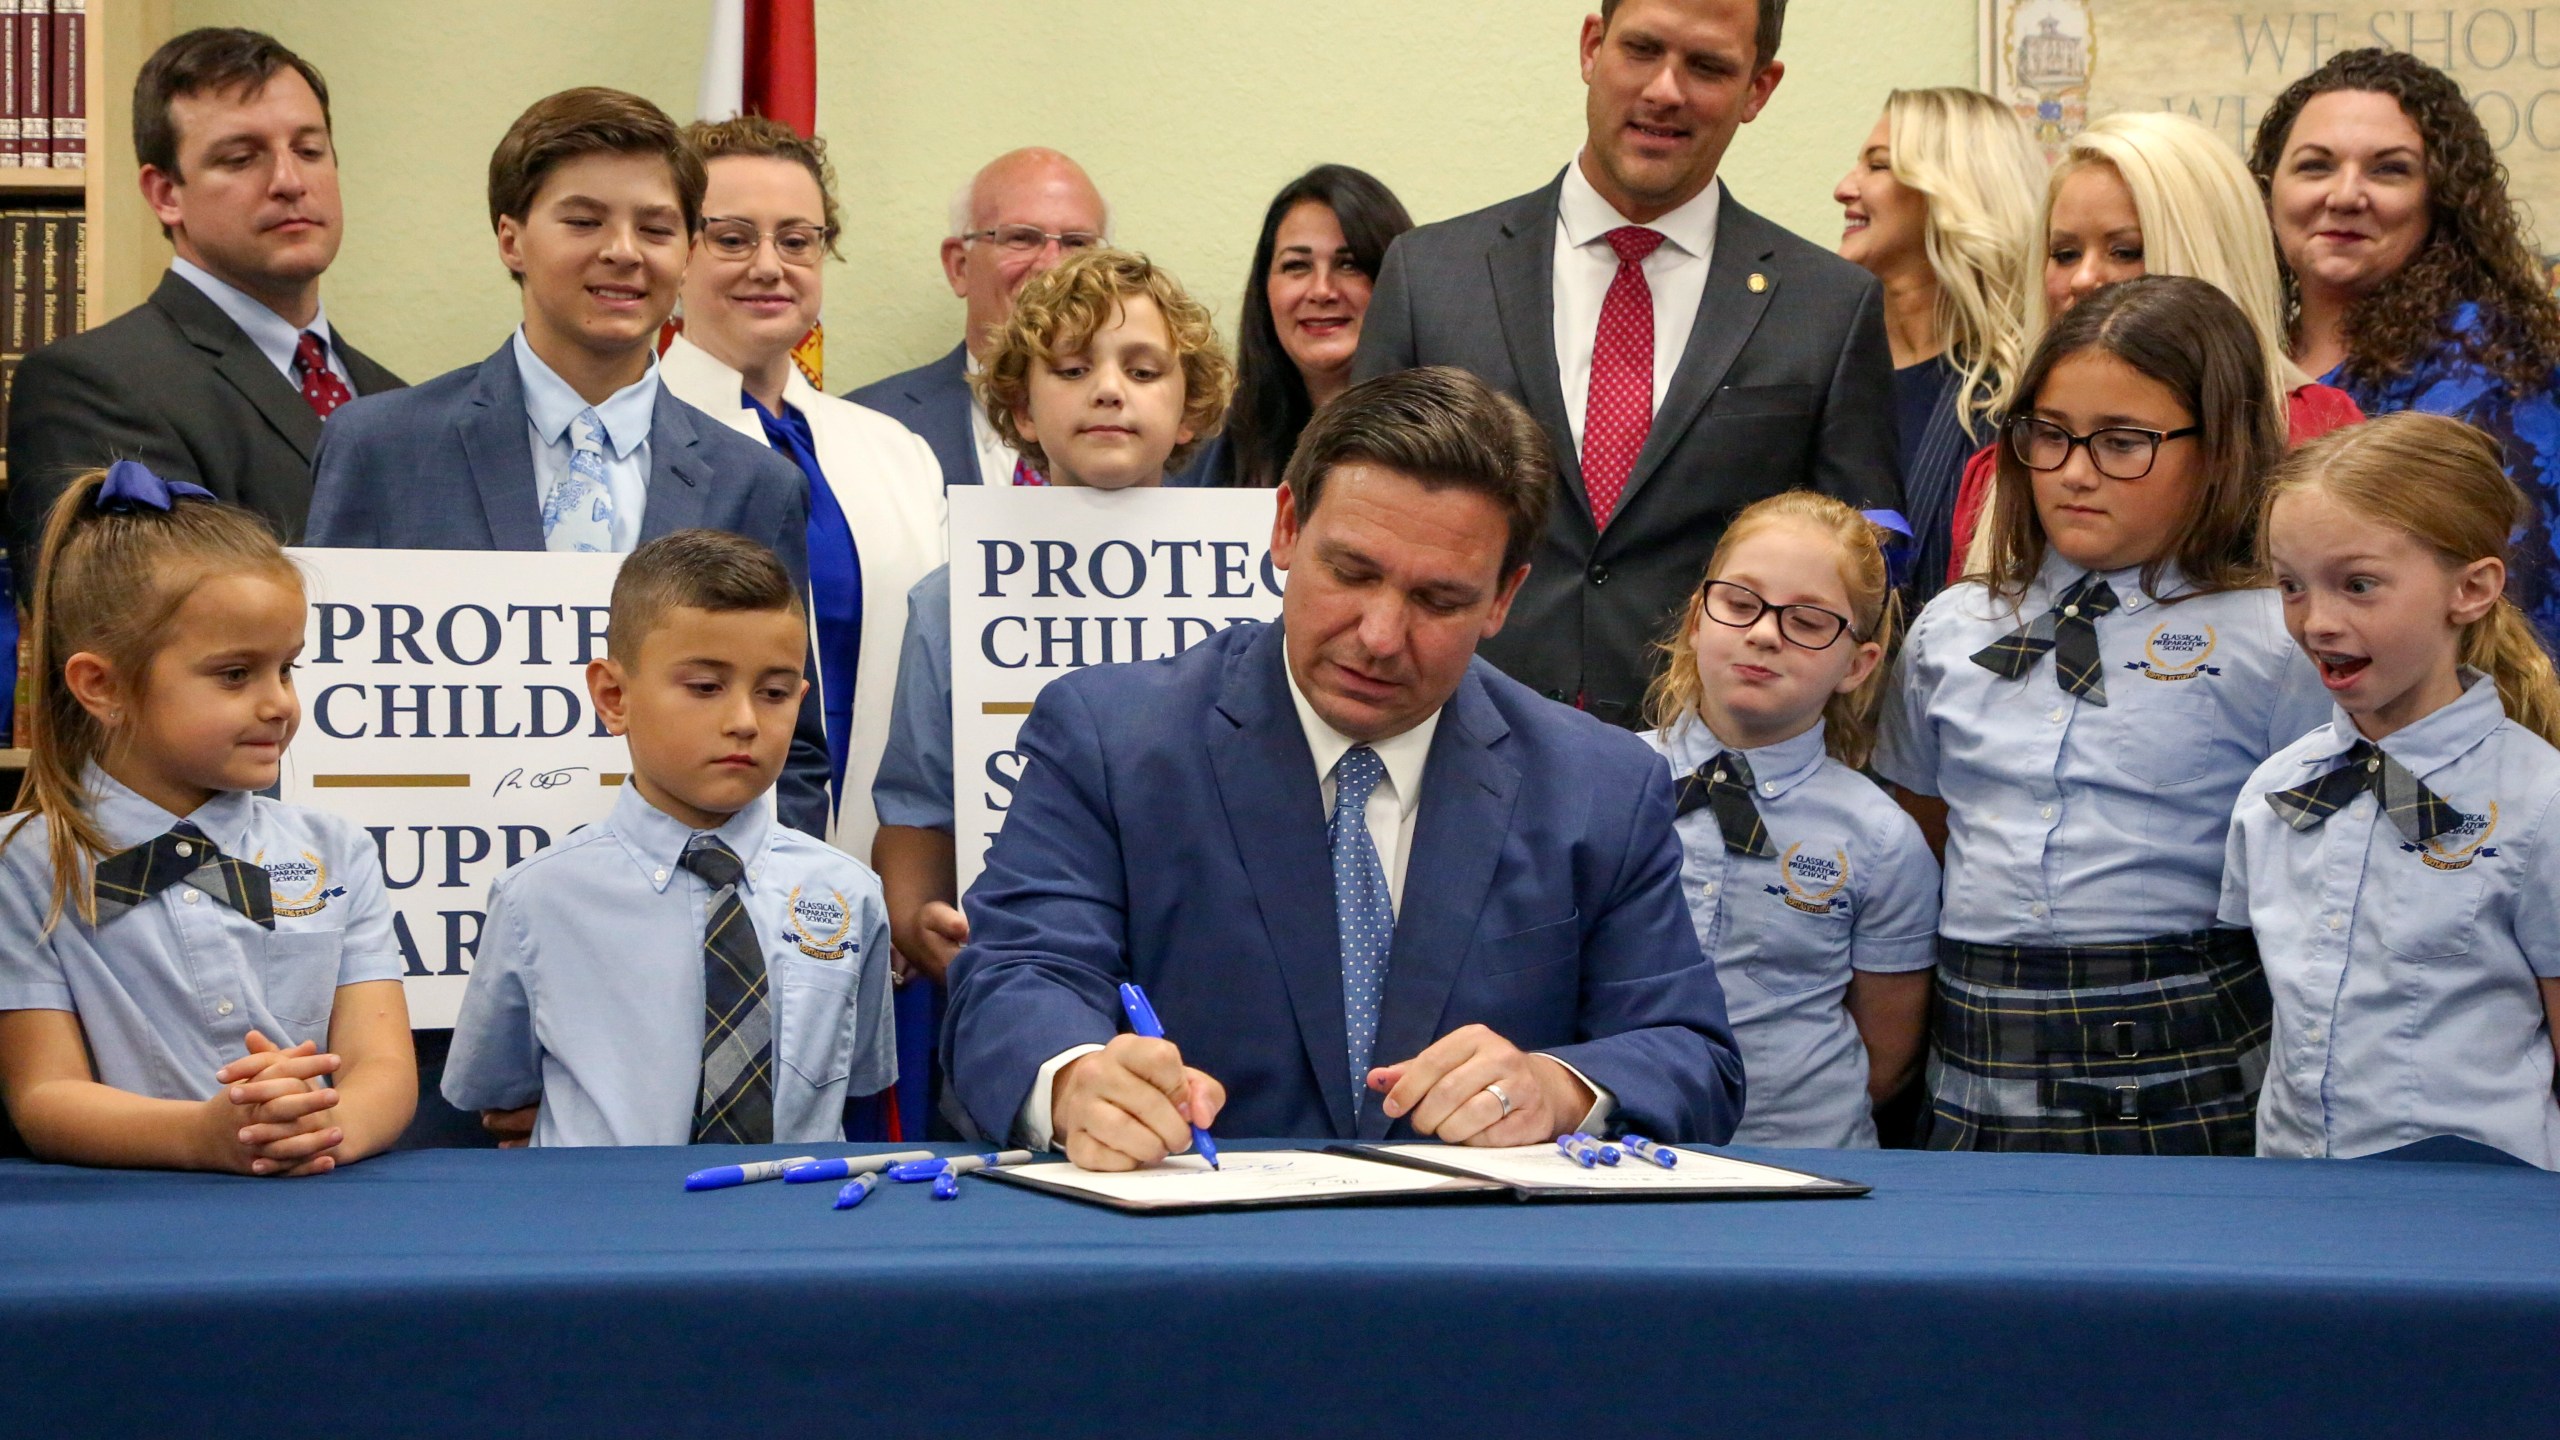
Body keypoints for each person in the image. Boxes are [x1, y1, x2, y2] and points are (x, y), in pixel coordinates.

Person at [943, 365, 1745, 1168]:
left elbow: (1690, 1054)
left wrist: (1560, 1088)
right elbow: (1012, 983)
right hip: (1195, 1257)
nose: (1381, 635)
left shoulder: (1598, 784)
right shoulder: (1113, 738)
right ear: (1287, 527)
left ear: (1504, 598)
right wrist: (1077, 1080)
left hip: (1485, 1267)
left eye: (1439, 600)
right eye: (1353, 573)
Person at [1874, 276, 2330, 1154]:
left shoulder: (2275, 637)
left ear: (2220, 446)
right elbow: (1918, 837)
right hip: (1979, 1055)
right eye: (2049, 436)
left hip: (2188, 1055)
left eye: (2125, 443)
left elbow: (2313, 880)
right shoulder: (1952, 628)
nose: (2076, 473)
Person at [301, 87, 831, 839]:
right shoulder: (382, 448)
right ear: (512, 238)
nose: (622, 250)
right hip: (432, 908)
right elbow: (324, 717)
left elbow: (795, 750)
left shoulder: (757, 482)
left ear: (686, 253)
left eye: (656, 227)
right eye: (584, 221)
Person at [1354, 0, 1901, 728]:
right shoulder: (1430, 277)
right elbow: (1361, 520)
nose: (1665, 90)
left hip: (1706, 778)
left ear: (1758, 90)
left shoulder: (1830, 310)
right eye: (1642, 49)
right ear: (1591, 47)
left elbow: (1864, 572)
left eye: (1707, 66)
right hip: (1453, 741)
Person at [0, 462, 415, 1172]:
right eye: (234, 674)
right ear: (101, 685)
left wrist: (316, 1128)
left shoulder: (336, 851)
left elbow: (384, 1071)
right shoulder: (28, 863)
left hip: (320, 1194)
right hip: (131, 1222)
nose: (278, 703)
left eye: (288, 668)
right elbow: (44, 1094)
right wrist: (203, 1134)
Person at [443, 530, 894, 1147]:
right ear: (613, 695)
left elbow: (859, 1083)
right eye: (706, 687)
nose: (743, 721)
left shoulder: (849, 894)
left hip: (796, 1227)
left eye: (775, 692)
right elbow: (496, 1094)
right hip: (605, 1229)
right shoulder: (538, 900)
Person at [871, 249, 1230, 1016]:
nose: (1107, 389)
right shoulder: (949, 600)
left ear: (1190, 406)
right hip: (1026, 980)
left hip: (1224, 978)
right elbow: (915, 809)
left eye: (1142, 370)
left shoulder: (1263, 593)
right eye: (1071, 370)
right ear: (1023, 410)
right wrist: (914, 917)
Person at [2234, 413, 2560, 1168]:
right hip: (2295, 1191)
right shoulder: (2274, 794)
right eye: (2290, 587)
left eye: (2358, 585)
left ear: (2472, 588)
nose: (2317, 621)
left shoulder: (2539, 802)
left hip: (2481, 1207)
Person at [4, 28, 403, 604]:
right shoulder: (90, 386)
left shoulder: (396, 401)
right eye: (241, 158)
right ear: (165, 193)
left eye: (310, 150)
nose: (290, 182)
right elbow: (131, 624)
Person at [657, 115, 945, 855]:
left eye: (796, 240)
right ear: (676, 254)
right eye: (731, 238)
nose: (768, 265)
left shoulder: (897, 452)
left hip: (888, 870)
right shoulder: (632, 444)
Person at [1946, 111, 2363, 582]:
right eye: (2064, 254)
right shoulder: (1999, 475)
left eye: (2125, 251)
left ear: (2204, 254)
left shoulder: (2314, 434)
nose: (2084, 279)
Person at [1641, 491, 1936, 1147]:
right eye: (1740, 604)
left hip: (1803, 1159)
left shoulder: (1882, 838)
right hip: (1619, 1150)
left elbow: (1887, 1057)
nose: (1764, 633)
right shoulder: (1602, 782)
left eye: (1807, 622)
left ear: (1857, 665)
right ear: (1697, 618)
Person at [2250, 48, 2560, 647]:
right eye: (2315, 166)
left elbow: (2518, 612)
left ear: (2438, 199)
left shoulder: (2491, 361)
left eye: (2388, 170)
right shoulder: (2245, 345)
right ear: (2267, 191)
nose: (2344, 195)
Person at [1830, 87, 2042, 606]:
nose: (1843, 188)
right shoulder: (1828, 365)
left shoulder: (2019, 391)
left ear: (1949, 192)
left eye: (1877, 166)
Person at [845, 148, 1113, 490]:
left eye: (1077, 243)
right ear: (959, 266)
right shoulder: (865, 426)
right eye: (1021, 238)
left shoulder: (1179, 437)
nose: (1052, 266)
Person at [1186, 164, 1413, 489]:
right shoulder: (1210, 453)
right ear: (1265, 288)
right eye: (1297, 266)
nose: (1322, 290)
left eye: (1349, 264)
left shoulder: (1455, 443)